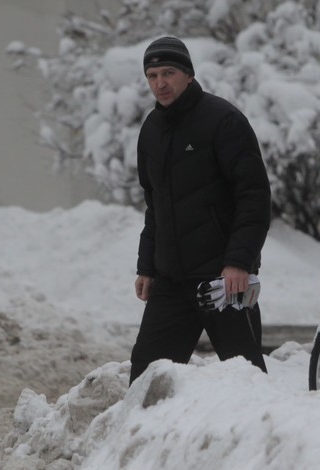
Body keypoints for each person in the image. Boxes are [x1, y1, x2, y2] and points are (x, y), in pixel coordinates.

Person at [129, 36, 271, 385]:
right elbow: (155, 206)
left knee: (247, 379)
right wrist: (147, 266)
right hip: (171, 282)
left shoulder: (222, 120)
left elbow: (254, 196)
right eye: (152, 75)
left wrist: (239, 261)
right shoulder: (151, 131)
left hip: (222, 280)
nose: (160, 83)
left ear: (188, 75)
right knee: (146, 380)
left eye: (168, 72)